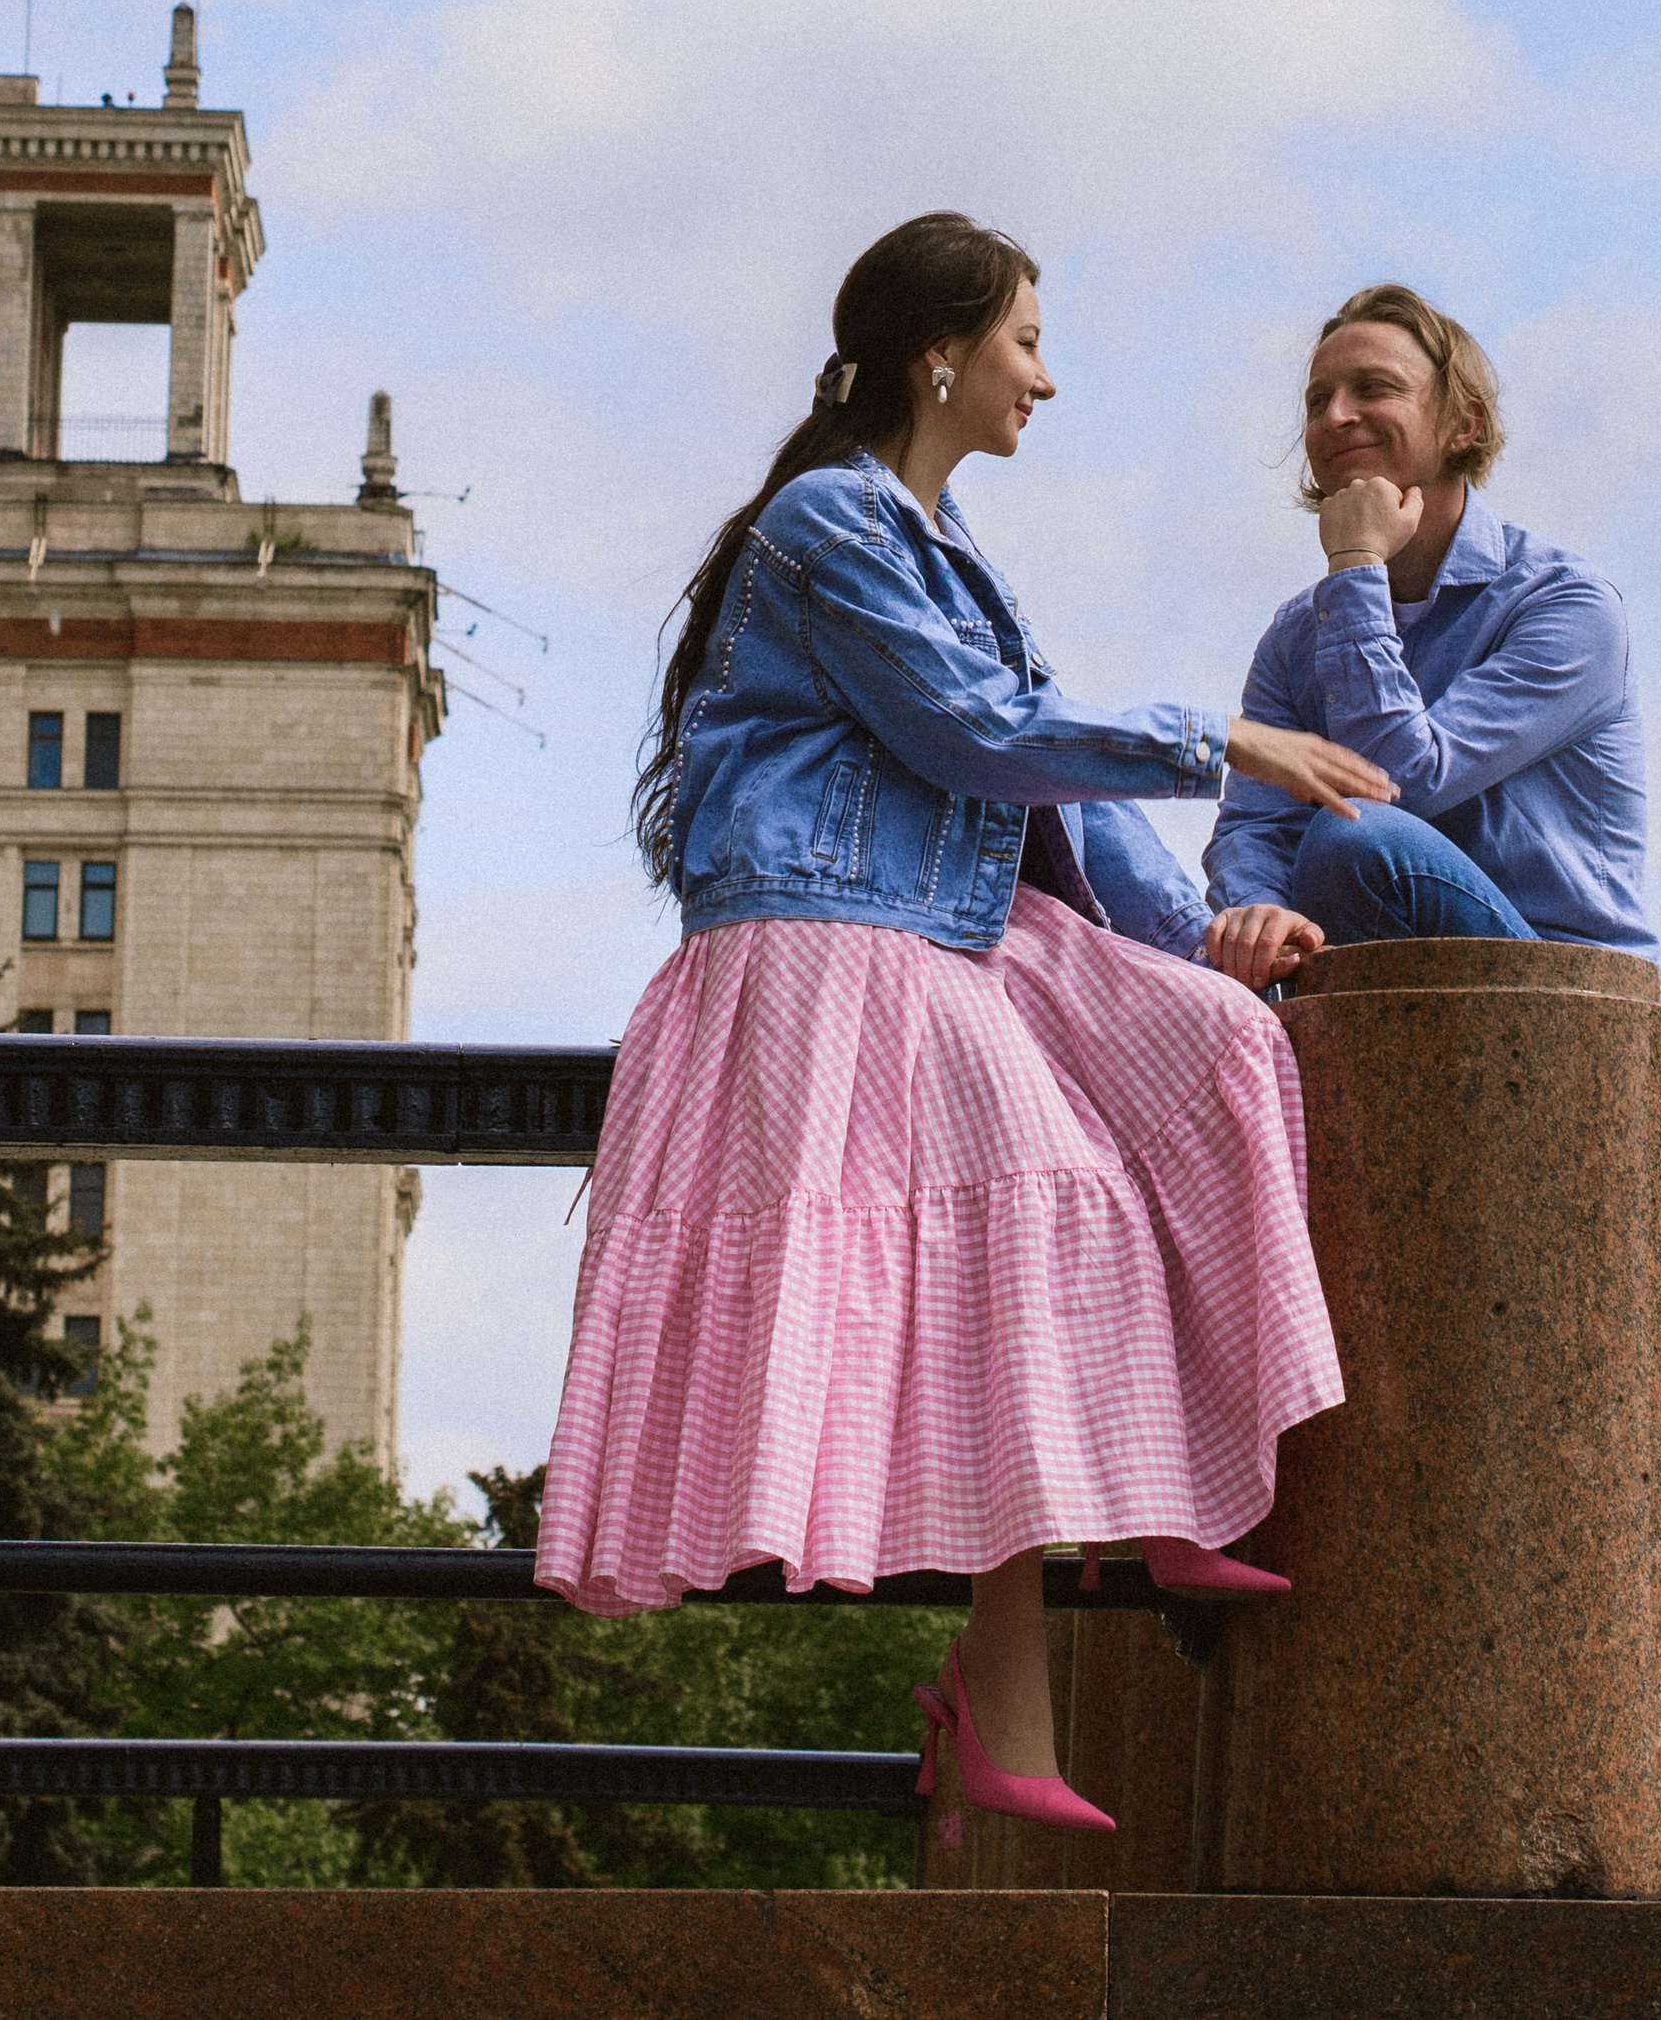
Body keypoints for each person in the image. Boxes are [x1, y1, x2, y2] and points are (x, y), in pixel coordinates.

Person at [534, 212, 1379, 1840]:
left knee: (1221, 1051)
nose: (1045, 379)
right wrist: (1236, 741)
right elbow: (984, 732)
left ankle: (1170, 1497)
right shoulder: (829, 521)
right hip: (822, 941)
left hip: (940, 925)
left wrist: (1192, 943)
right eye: (1027, 344)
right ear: (942, 352)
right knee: (1047, 1215)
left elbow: (1047, 783)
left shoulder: (935, 535)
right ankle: (1012, 1694)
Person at [1204, 283, 1659, 981]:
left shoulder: (1566, 604)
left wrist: (1356, 564)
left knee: (1353, 842)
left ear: (1464, 425)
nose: (1336, 415)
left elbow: (1402, 782)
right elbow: (1255, 825)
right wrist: (1258, 913)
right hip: (1368, 974)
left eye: (1373, 388)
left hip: (1565, 986)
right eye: (1317, 400)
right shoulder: (1296, 637)